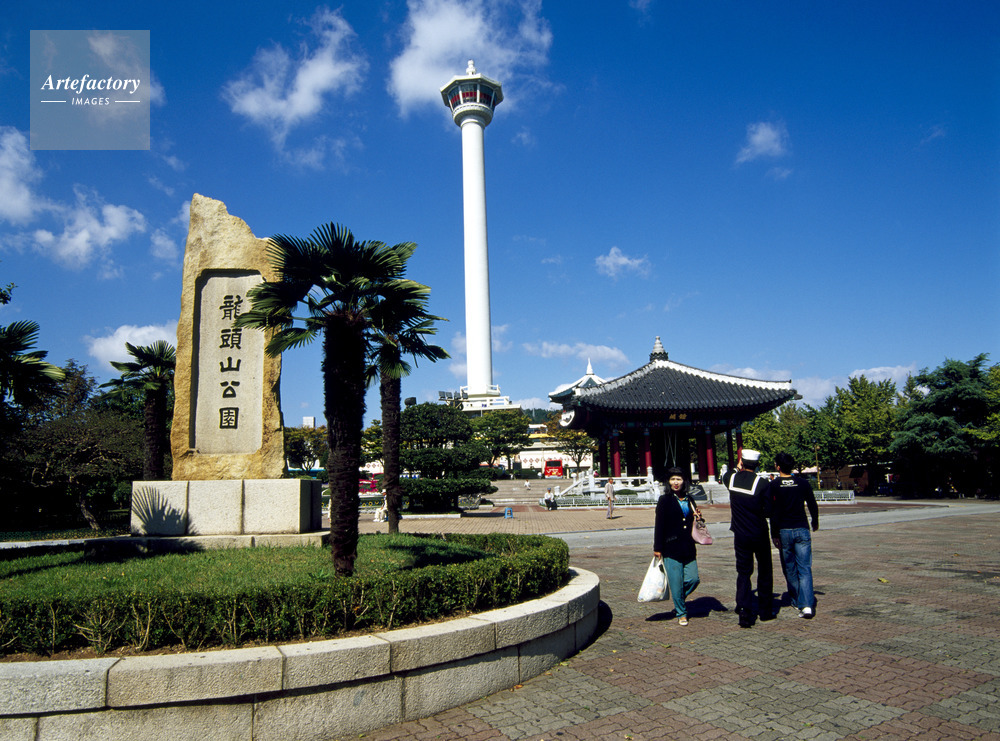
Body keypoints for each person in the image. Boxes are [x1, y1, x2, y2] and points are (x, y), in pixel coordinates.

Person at [721, 449, 773, 627]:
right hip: (759, 532)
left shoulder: (731, 479)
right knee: (764, 570)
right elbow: (769, 511)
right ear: (757, 464)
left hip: (740, 533)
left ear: (742, 462)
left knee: (743, 572)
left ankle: (744, 610)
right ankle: (765, 611)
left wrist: (737, 468)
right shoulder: (763, 483)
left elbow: (727, 474)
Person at [770, 452, 819, 618]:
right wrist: (815, 521)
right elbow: (812, 504)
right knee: (804, 568)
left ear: (778, 466)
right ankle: (807, 605)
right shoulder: (802, 483)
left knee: (789, 568)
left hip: (784, 530)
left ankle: (797, 599)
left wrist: (774, 533)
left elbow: (772, 512)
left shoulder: (774, 485)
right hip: (801, 528)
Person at [653, 467, 701, 626]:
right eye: (673, 479)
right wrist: (657, 547)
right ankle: (681, 613)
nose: (676, 482)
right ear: (668, 481)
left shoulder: (689, 499)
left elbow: (692, 521)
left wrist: (698, 517)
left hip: (688, 546)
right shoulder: (664, 500)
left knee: (693, 579)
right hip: (671, 548)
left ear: (684, 481)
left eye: (679, 479)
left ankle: (678, 598)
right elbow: (659, 525)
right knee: (676, 582)